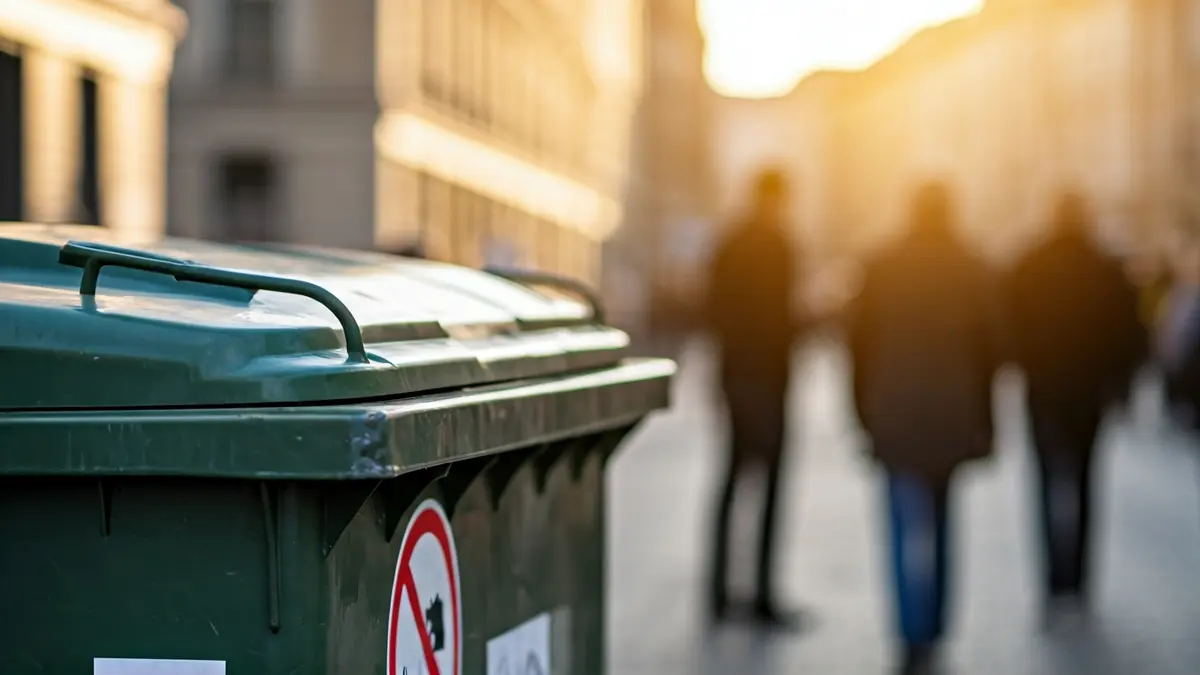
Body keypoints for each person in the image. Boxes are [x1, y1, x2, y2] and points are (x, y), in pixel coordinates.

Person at [847, 182, 1002, 673]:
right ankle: (935, 626)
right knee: (944, 520)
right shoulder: (973, 266)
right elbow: (991, 354)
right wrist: (987, 421)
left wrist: (862, 413)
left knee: (900, 524)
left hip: (894, 413)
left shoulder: (881, 265)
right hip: (954, 415)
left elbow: (858, 346)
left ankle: (909, 631)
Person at [1006, 192, 1144, 622]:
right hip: (1089, 391)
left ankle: (1052, 577)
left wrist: (1023, 365)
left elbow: (1008, 324)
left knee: (1046, 482)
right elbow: (1130, 332)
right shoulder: (1106, 267)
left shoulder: (1030, 264)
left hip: (1044, 390)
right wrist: (1121, 386)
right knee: (1086, 482)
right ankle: (1079, 580)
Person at [704, 167, 804, 626]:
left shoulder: (730, 243)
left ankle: (718, 593)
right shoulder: (779, 246)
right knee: (769, 485)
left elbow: (713, 310)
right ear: (776, 198)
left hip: (735, 377)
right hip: (768, 379)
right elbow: (783, 319)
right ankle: (762, 592)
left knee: (729, 481)